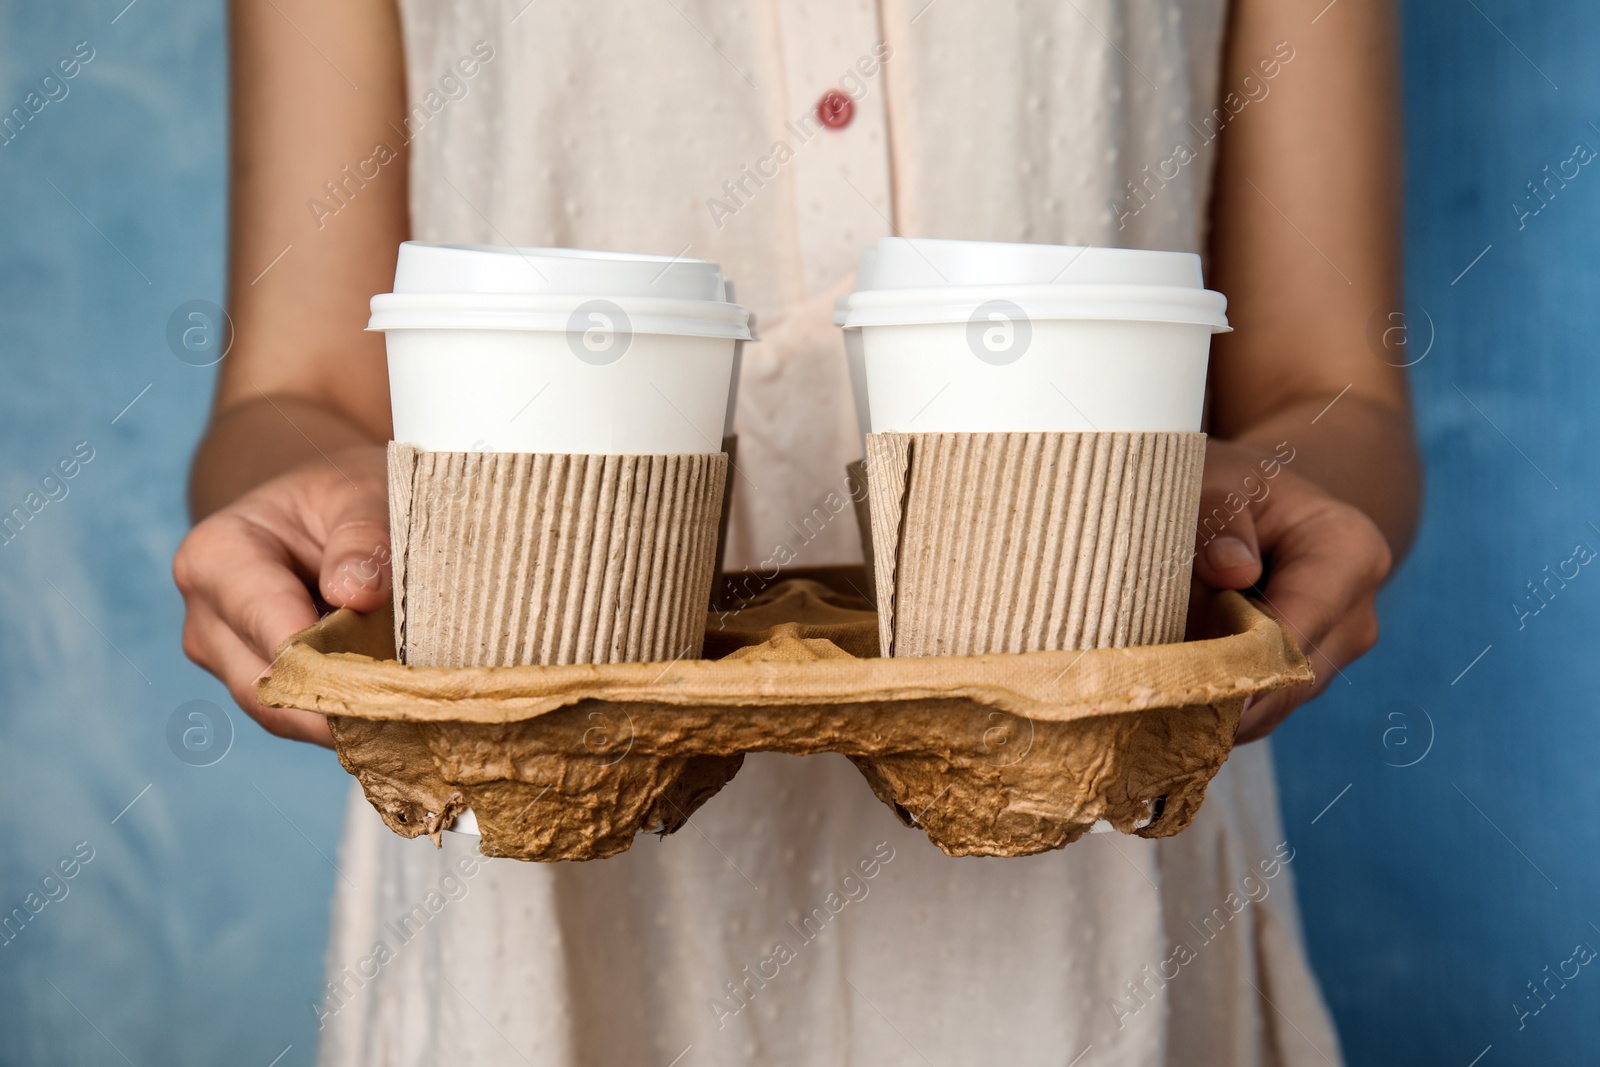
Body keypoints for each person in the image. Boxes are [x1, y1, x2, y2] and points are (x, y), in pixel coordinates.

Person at [174, 0, 1420, 1062]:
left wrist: (1289, 500)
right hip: (523, 889)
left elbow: (1333, 384)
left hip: (1113, 879)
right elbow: (298, 392)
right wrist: (307, 516)